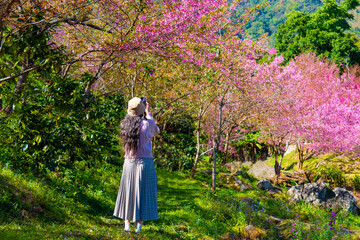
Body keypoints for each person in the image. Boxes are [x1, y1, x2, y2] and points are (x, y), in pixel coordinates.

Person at [113, 97, 160, 233]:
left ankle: (127, 224)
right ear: (142, 110)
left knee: (128, 191)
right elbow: (157, 131)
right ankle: (138, 227)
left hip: (129, 163)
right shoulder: (147, 124)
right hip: (145, 163)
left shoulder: (124, 125)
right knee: (144, 193)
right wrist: (148, 112)